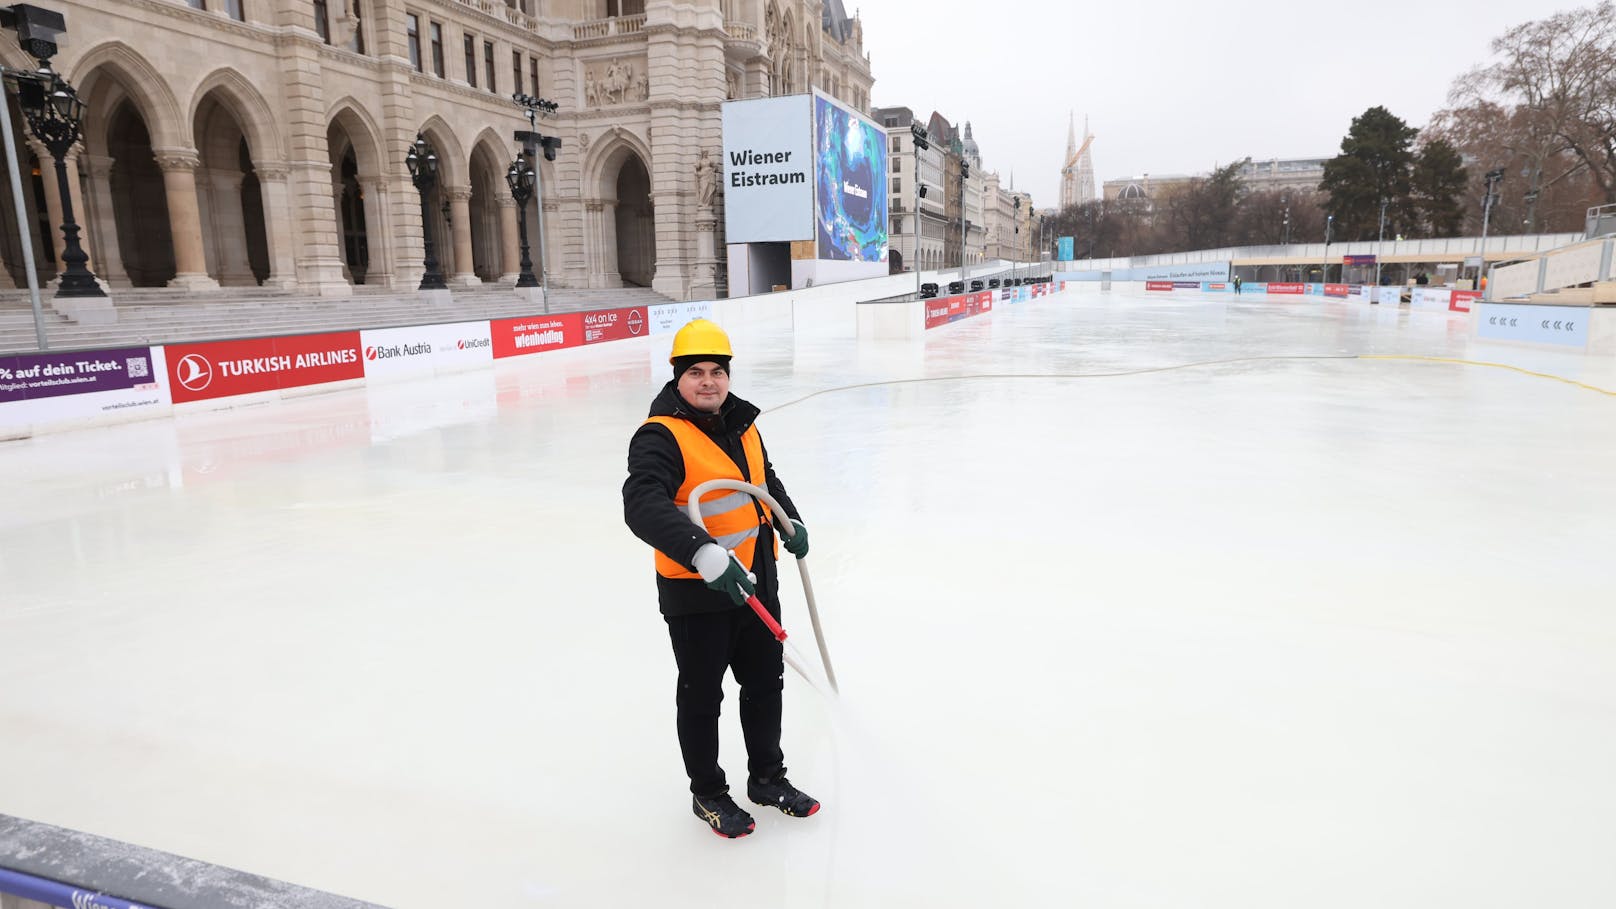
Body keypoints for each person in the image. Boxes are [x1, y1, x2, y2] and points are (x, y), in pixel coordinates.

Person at [622, 318, 819, 839]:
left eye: (717, 372)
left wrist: (789, 520)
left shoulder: (744, 424)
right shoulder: (659, 436)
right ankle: (708, 793)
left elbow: (763, 483)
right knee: (702, 694)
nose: (708, 381)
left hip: (757, 583)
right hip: (698, 591)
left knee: (764, 684)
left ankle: (767, 778)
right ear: (677, 378)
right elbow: (641, 503)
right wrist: (701, 553)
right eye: (696, 373)